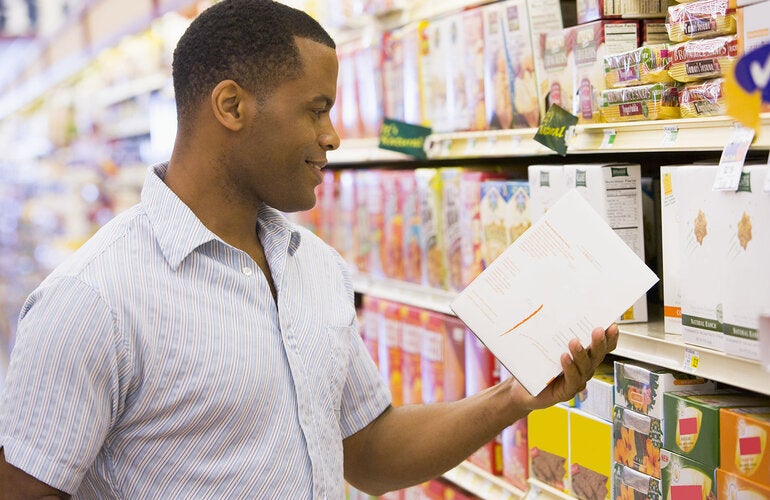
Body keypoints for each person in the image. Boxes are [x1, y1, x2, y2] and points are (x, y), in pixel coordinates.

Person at [0, 0, 619, 497]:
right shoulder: (91, 300)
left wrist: (512, 399)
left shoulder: (314, 268)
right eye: (316, 110)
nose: (334, 135)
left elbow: (369, 453)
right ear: (232, 106)